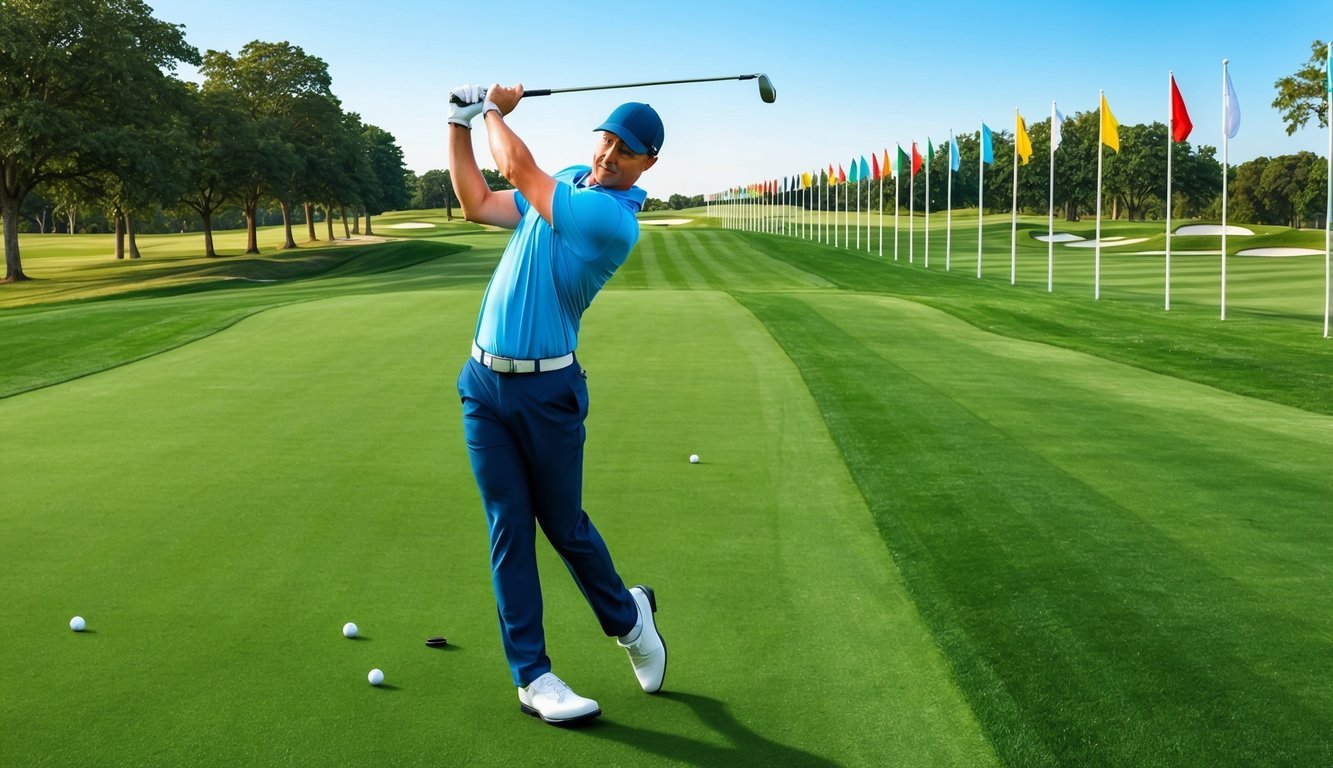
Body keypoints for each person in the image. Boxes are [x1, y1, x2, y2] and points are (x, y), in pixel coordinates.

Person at [446, 82, 668, 726]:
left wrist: (491, 106)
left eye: (628, 151)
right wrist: (457, 122)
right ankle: (533, 677)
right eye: (608, 139)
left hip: (548, 390)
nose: (611, 154)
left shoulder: (609, 221)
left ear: (647, 164)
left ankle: (629, 620)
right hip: (482, 384)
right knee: (509, 527)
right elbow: (478, 203)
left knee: (563, 526)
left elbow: (515, 167)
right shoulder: (572, 178)